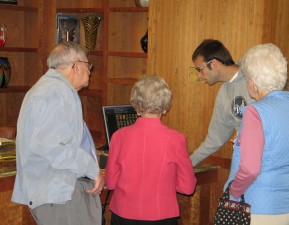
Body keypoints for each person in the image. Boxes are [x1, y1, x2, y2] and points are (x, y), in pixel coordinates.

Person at [11, 41, 105, 225]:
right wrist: (92, 170)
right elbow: (54, 147)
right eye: (88, 65)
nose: (90, 71)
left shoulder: (52, 89)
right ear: (76, 65)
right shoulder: (56, 92)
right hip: (59, 195)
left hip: (58, 193)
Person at [105, 75, 197, 225]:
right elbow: (187, 187)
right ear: (165, 107)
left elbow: (110, 183)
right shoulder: (176, 139)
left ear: (135, 104)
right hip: (161, 215)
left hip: (123, 213)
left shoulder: (118, 136)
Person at [226, 43, 289, 225]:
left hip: (263, 208)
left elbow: (250, 169)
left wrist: (233, 192)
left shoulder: (255, 112)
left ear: (254, 82)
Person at [189, 39, 255, 166]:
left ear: (213, 64)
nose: (199, 76)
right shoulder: (224, 94)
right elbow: (215, 139)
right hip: (245, 164)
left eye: (200, 69)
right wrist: (188, 163)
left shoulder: (253, 78)